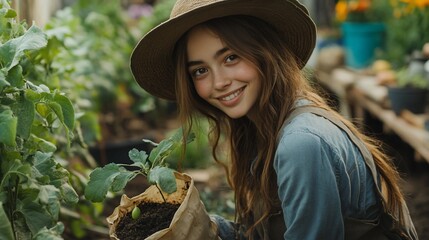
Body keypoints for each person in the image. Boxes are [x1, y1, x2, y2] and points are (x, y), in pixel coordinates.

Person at [129, 0, 418, 239]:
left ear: (265, 51)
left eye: (230, 57)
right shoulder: (265, 129)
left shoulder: (301, 141)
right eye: (200, 71)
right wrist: (207, 228)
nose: (218, 82)